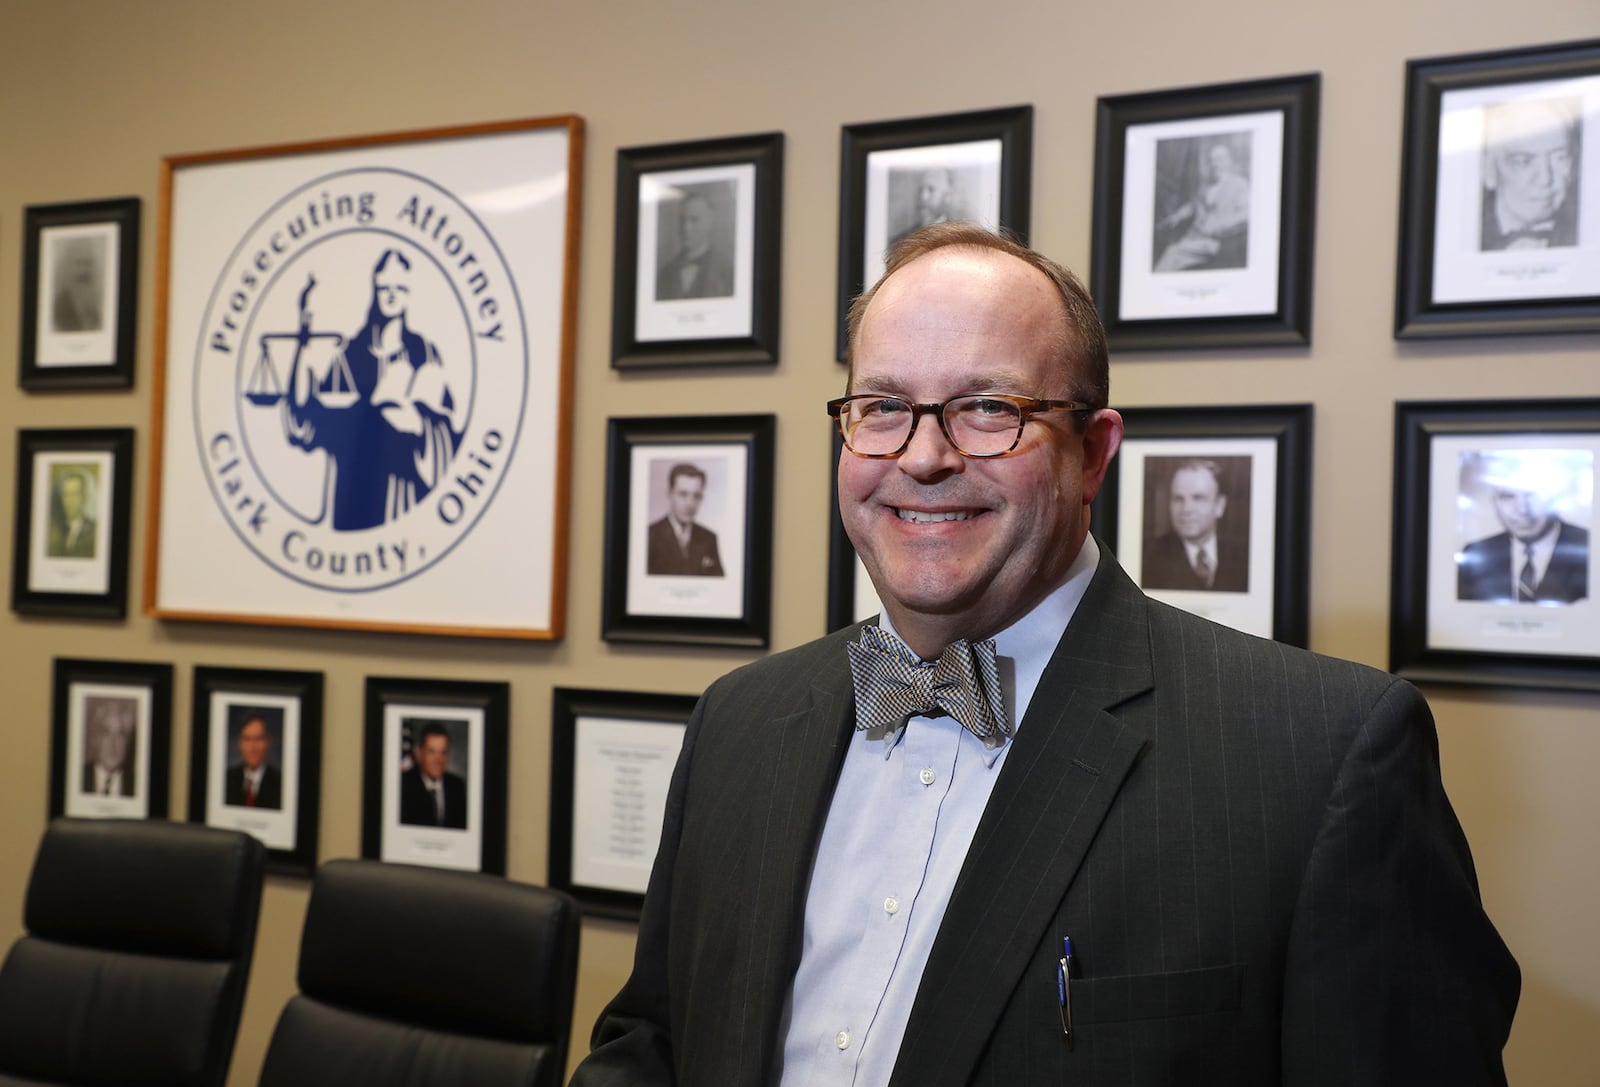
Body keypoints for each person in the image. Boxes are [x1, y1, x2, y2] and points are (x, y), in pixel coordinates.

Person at [571, 222, 1518, 1086]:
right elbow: (650, 1047)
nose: (925, 457)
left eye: (987, 408)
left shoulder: (1321, 758)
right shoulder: (739, 721)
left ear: (1093, 453)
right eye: (883, 406)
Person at [282, 249, 462, 530]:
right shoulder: (350, 356)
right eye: (384, 288)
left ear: (409, 293)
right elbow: (306, 421)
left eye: (400, 289)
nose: (391, 296)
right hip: (355, 498)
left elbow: (450, 434)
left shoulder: (424, 353)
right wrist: (304, 336)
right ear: (375, 289)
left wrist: (418, 422)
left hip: (405, 499)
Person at [1458, 451, 1589, 604]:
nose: (1522, 510)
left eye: (1533, 495)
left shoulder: (1589, 546)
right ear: (1495, 503)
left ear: (1554, 498)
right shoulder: (1476, 553)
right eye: (1507, 497)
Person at [1480, 97, 1579, 251]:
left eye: (1559, 158)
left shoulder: (1585, 229)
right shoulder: (1466, 232)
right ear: (1489, 170)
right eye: (1523, 161)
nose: (1545, 179)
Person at [1141, 458, 1247, 591]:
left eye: (1198, 498)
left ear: (1220, 505)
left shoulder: (1245, 558)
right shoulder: (1148, 558)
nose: (1186, 509)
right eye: (1178, 499)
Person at [1154, 141, 1250, 272]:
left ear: (1229, 161)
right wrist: (1175, 217)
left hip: (1216, 241)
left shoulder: (1240, 184)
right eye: (1211, 160)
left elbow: (1246, 215)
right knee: (1168, 249)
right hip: (1193, 236)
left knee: (1172, 254)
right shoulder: (1207, 186)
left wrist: (1219, 226)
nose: (1215, 164)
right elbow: (1192, 206)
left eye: (1219, 159)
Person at [645, 463, 724, 576]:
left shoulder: (709, 538)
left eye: (696, 496)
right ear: (670, 493)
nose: (690, 503)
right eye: (683, 494)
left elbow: (720, 586)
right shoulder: (650, 536)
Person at [656, 191, 734, 300]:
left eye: (694, 220)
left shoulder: (727, 270)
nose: (686, 228)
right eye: (682, 220)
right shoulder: (665, 274)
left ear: (709, 223)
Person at [398, 721, 467, 829]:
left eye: (443, 752)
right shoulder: (404, 786)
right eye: (431, 752)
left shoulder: (458, 786)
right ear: (419, 753)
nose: (438, 760)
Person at [223, 713, 283, 810]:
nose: (252, 747)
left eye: (258, 739)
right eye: (247, 739)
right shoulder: (226, 779)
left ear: (267, 742)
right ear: (240, 744)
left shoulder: (281, 783)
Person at [80, 699, 135, 797]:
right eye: (106, 733)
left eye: (120, 734)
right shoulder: (78, 776)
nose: (113, 743)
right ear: (94, 739)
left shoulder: (137, 784)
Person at [51, 236, 103, 333]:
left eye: (88, 263)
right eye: (79, 263)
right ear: (68, 266)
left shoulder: (96, 305)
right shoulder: (58, 306)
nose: (84, 269)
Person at [46, 470, 97, 559]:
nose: (69, 500)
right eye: (66, 494)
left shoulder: (94, 531)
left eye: (74, 494)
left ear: (84, 497)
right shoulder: (54, 530)